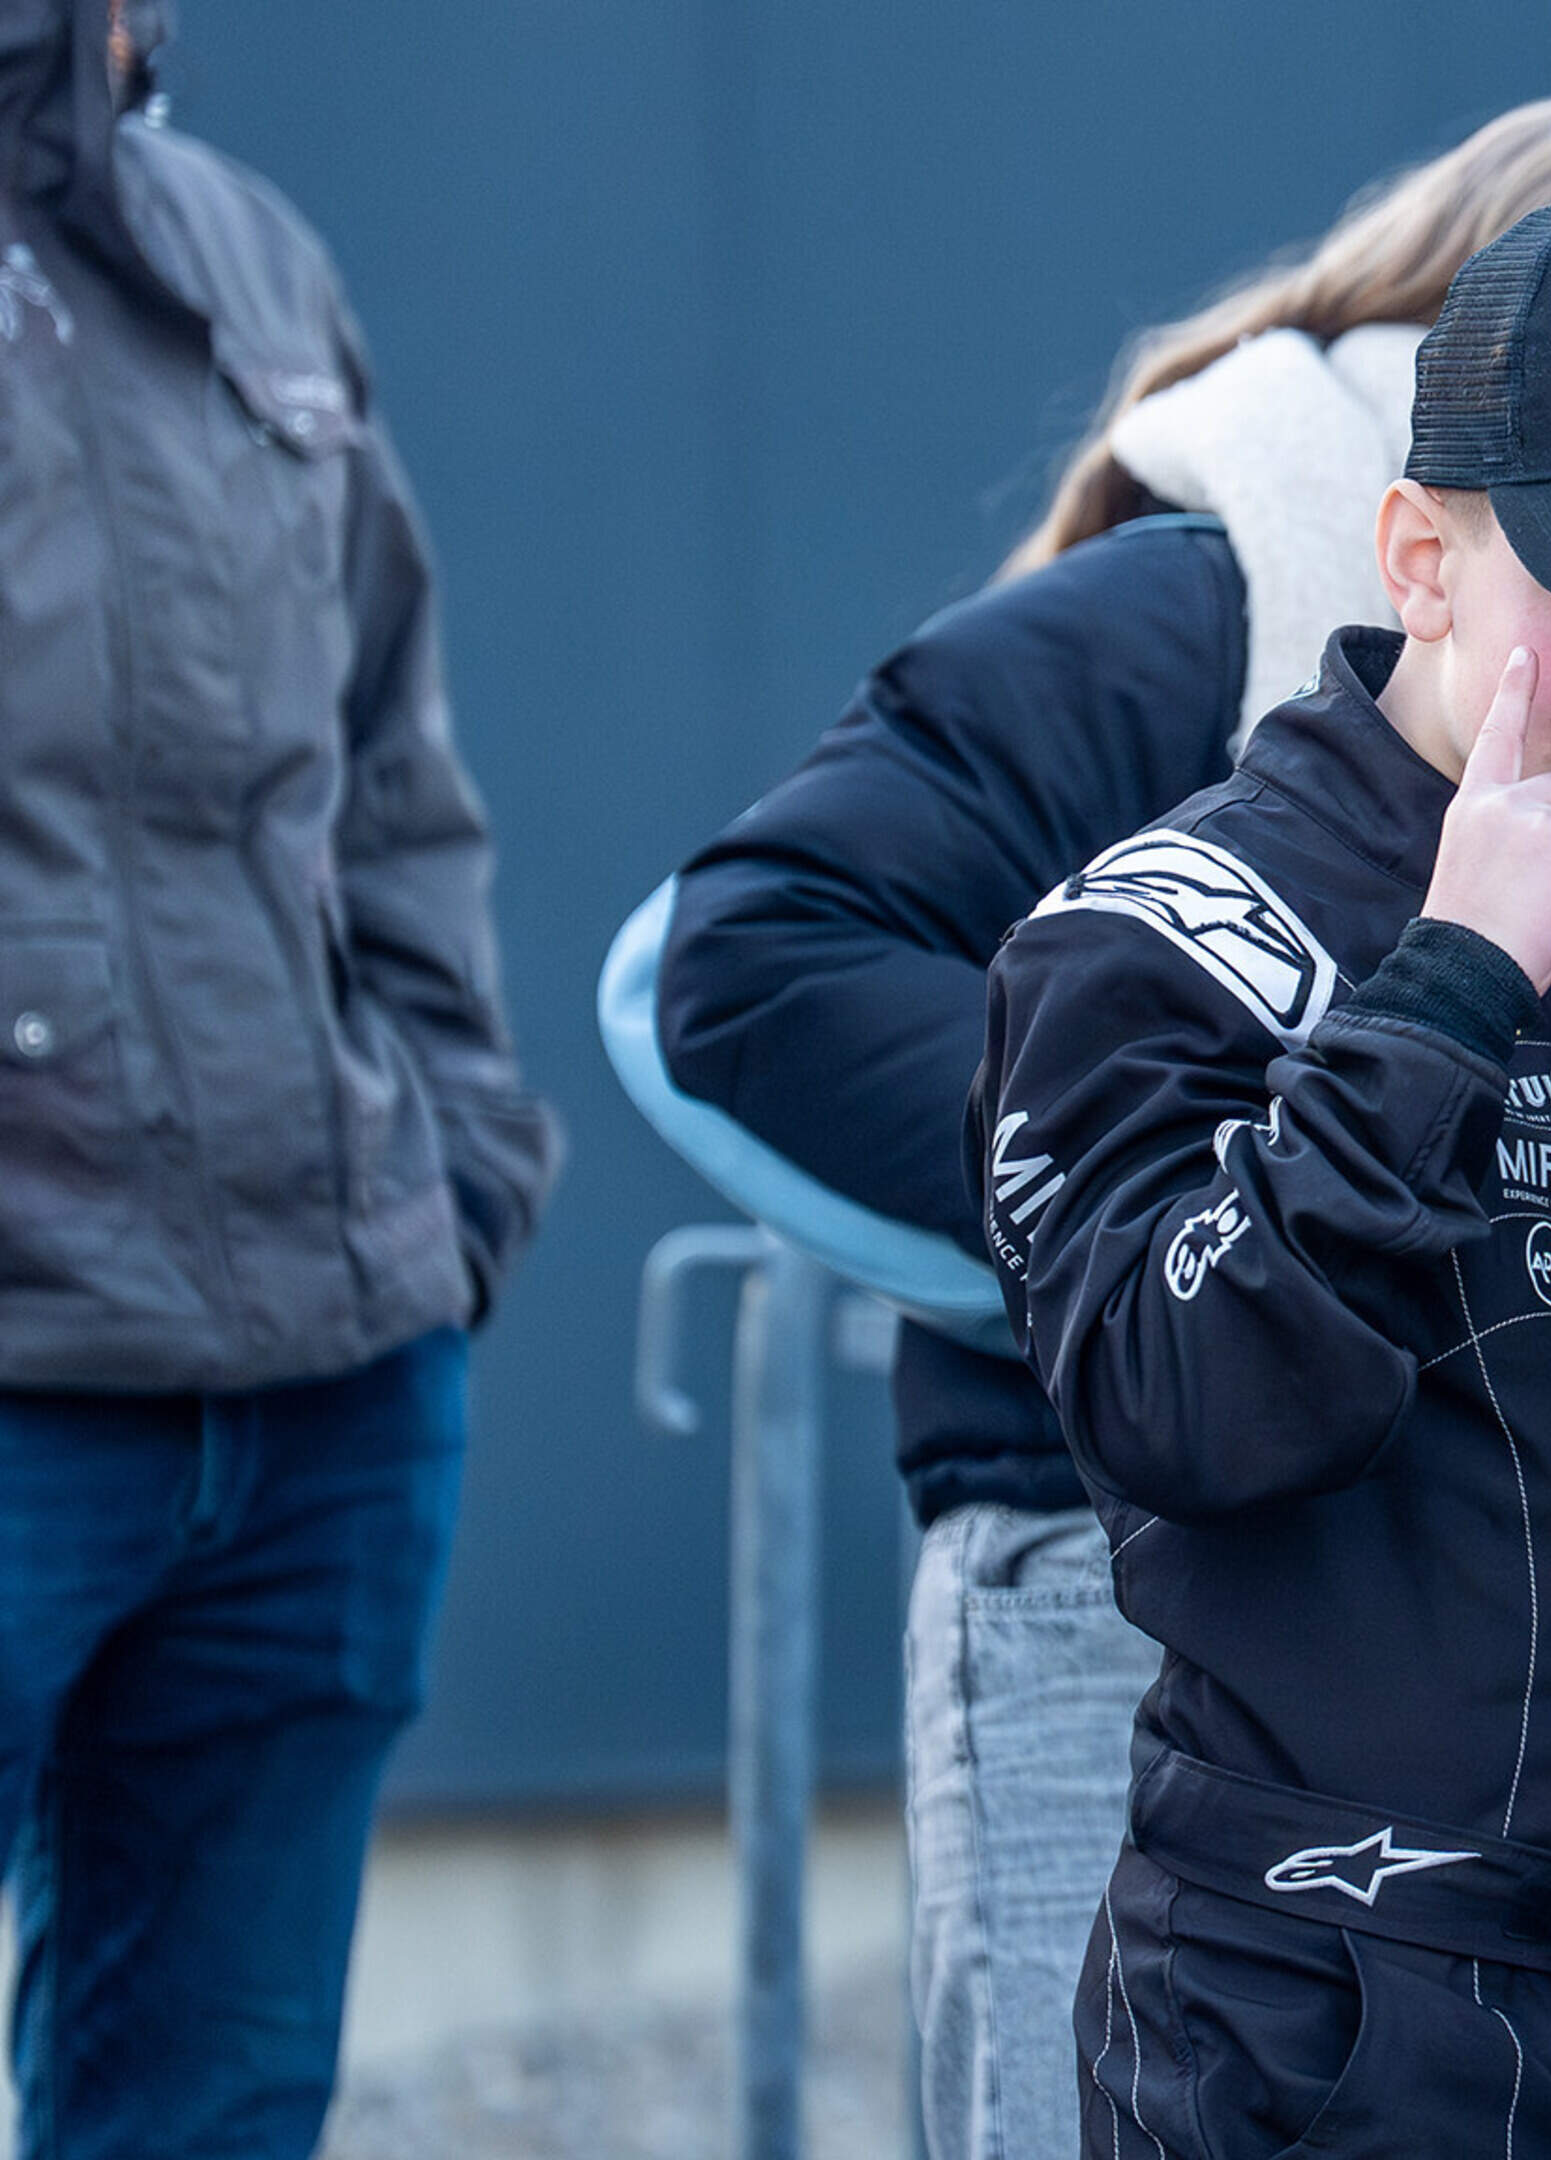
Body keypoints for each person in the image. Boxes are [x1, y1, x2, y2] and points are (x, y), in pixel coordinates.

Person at [650, 95, 1551, 2160]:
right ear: (1420, 553)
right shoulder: (1190, 683)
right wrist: (1239, 1134)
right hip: (1212, 1799)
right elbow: (755, 963)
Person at [976, 191, 1551, 2160]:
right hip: (1308, 2034)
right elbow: (1180, 1404)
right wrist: (1456, 983)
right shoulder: (1155, 932)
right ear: (1416, 560)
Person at [0, 0, 560, 2152]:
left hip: (323, 1385)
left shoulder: (245, 251)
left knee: (214, 2117)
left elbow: (388, 769)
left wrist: (454, 1173)